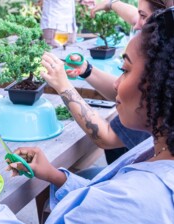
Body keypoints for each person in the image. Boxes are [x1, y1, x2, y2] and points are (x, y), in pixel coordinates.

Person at [0, 7, 174, 224]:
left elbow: (114, 206)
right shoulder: (157, 150)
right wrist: (55, 175)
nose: (116, 82)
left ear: (163, 84)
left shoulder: (142, 200)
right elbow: (101, 207)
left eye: (125, 69)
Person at [65, 0, 171, 152]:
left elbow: (107, 137)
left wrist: (63, 86)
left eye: (126, 70)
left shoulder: (153, 103)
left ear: (162, 17)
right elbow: (124, 89)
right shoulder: (163, 65)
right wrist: (87, 69)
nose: (136, 25)